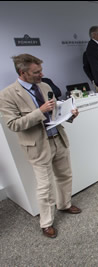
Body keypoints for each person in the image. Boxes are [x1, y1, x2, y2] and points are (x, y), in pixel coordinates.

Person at [0, 54, 81, 238]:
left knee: (65, 176)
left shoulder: (44, 86)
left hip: (57, 139)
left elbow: (55, 113)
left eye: (41, 70)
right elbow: (13, 124)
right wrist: (40, 111)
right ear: (23, 72)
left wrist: (69, 115)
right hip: (37, 146)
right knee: (45, 187)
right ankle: (46, 223)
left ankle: (65, 204)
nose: (41, 74)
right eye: (36, 72)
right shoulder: (6, 95)